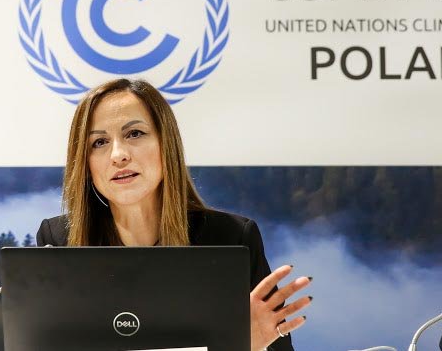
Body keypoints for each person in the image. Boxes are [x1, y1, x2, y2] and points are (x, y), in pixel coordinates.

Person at [36, 79, 312, 351]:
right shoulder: (57, 240)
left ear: (166, 144)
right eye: (99, 142)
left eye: (135, 134)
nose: (118, 155)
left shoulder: (231, 238)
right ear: (84, 163)